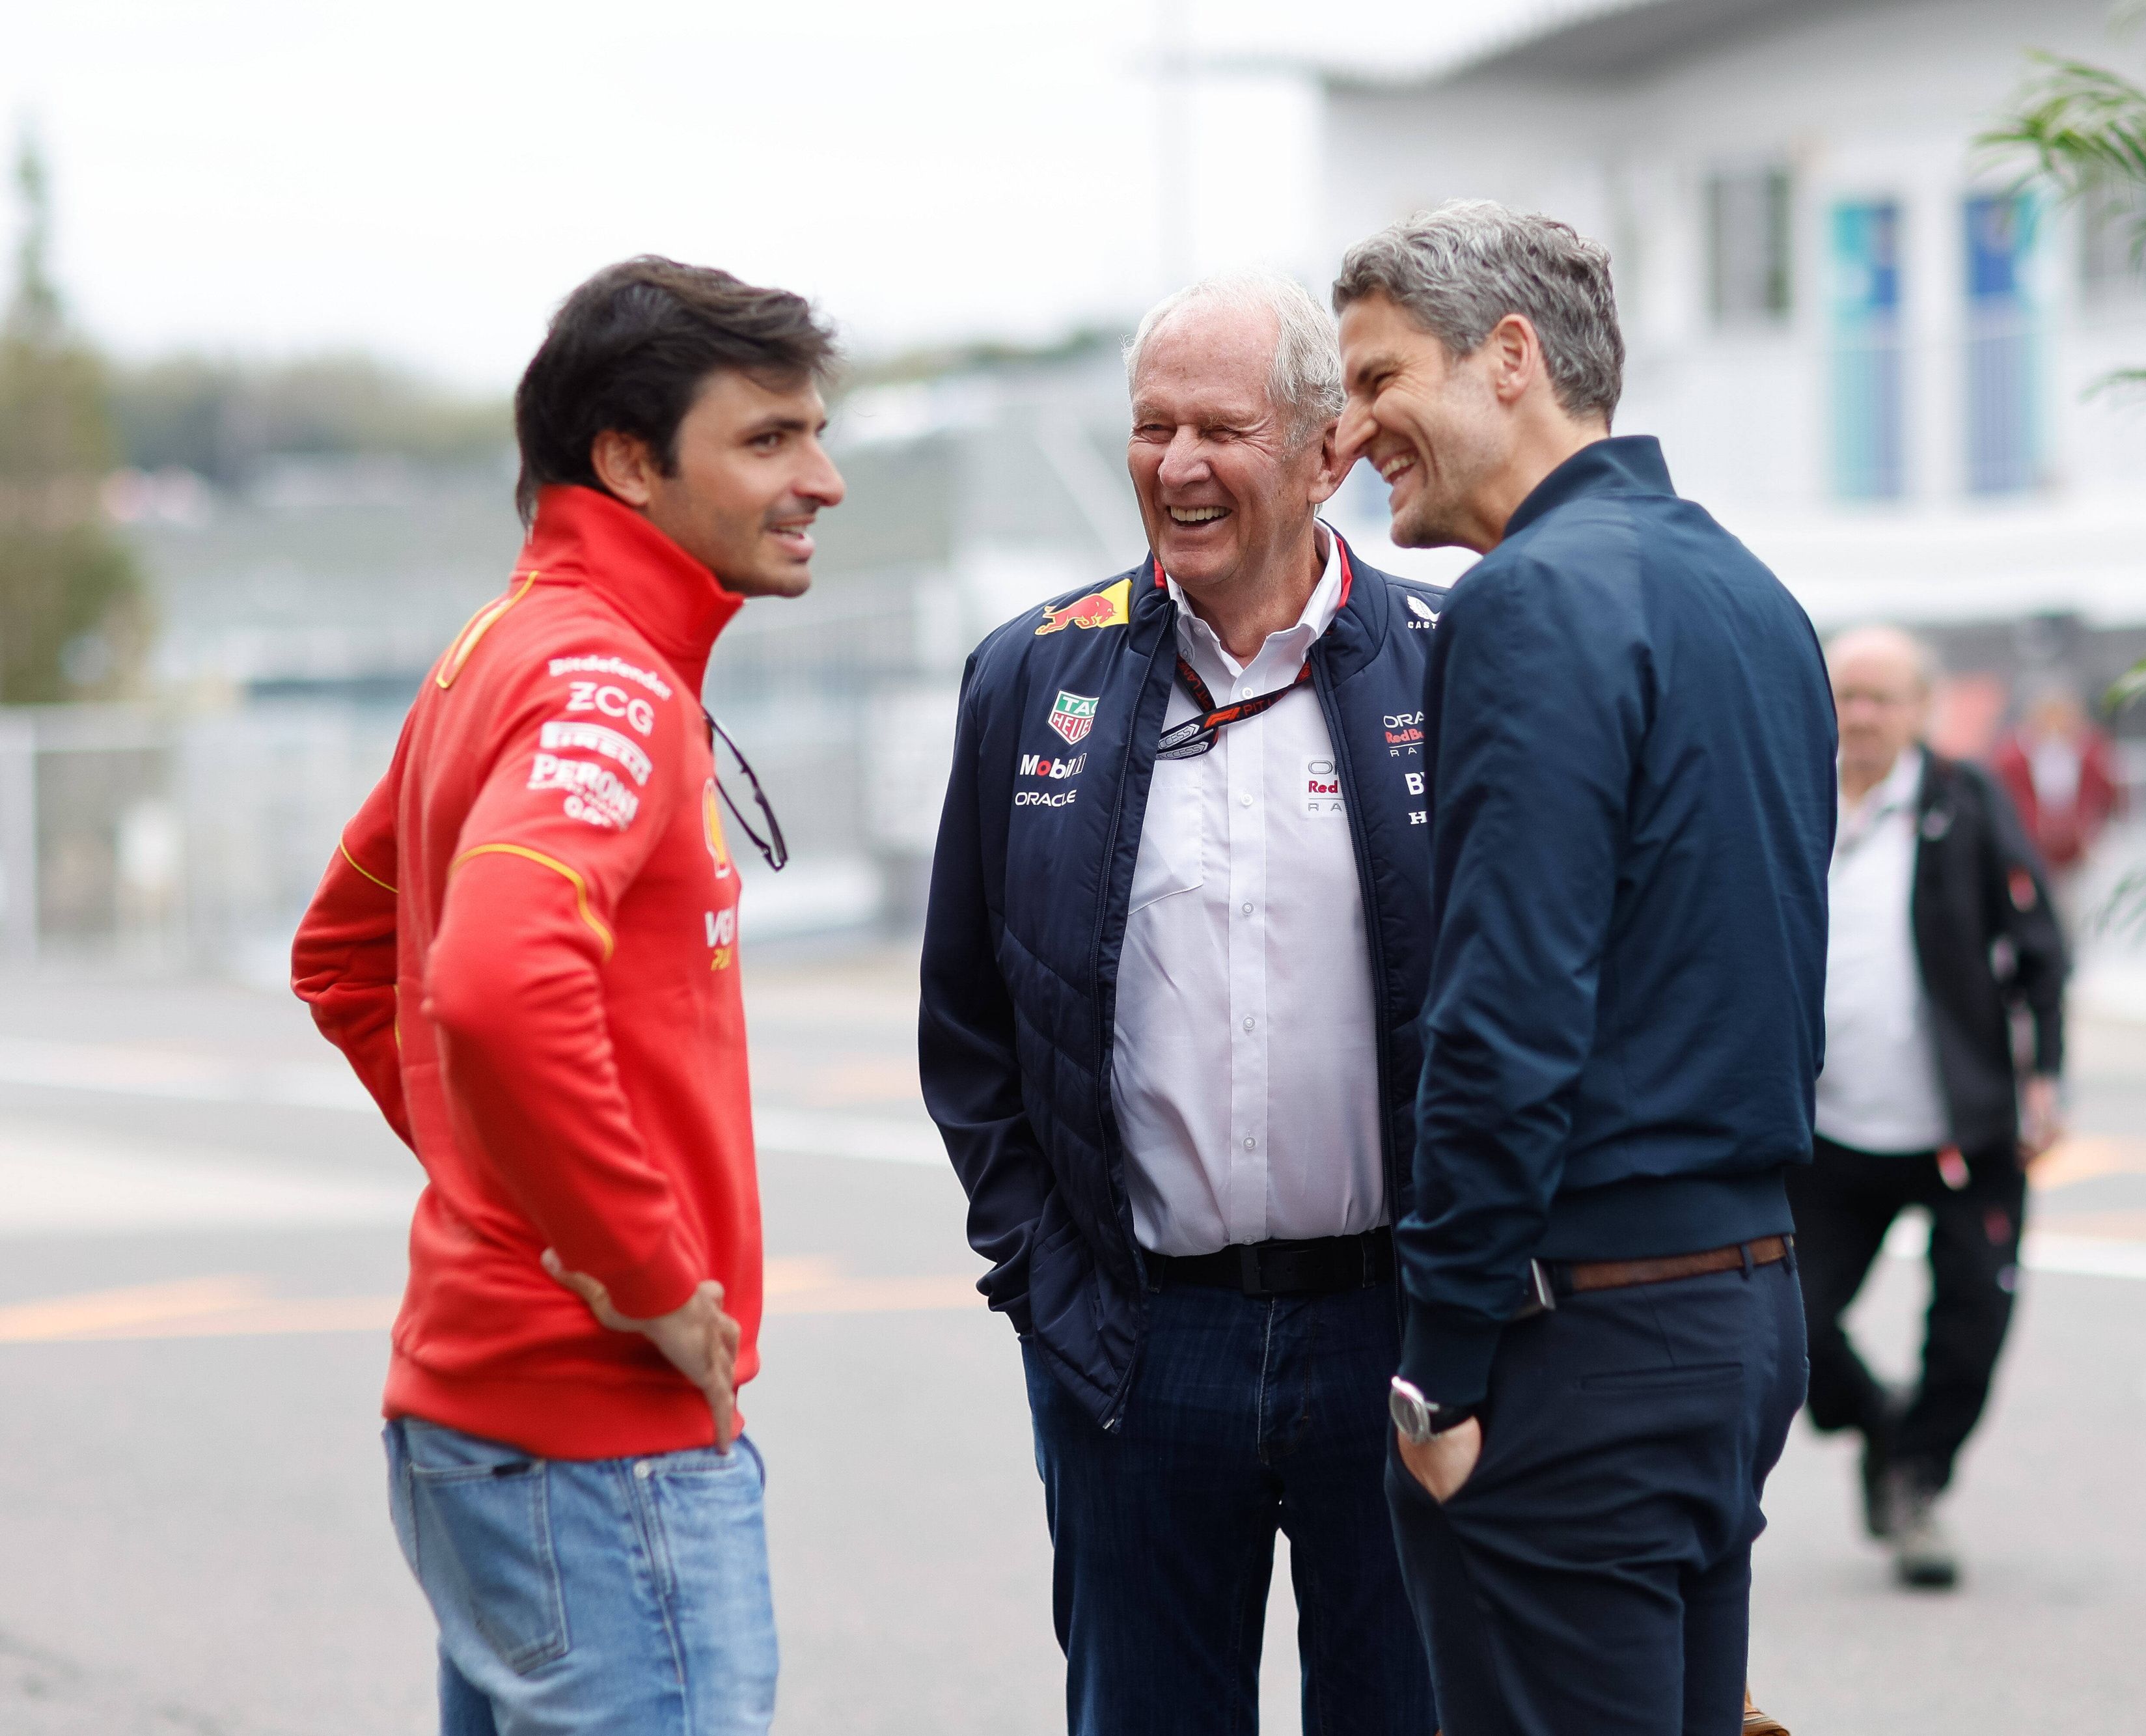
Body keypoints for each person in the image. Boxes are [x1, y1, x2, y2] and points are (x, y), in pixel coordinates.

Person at [292, 257, 843, 1735]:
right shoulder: (600, 681)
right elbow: (486, 981)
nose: (823, 479)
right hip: (595, 1432)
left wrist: (503, 1188)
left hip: (494, 1420)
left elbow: (344, 949)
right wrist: (640, 1265)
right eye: (771, 437)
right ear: (627, 462)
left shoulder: (501, 649)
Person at [1332, 200, 1836, 1736]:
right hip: (1738, 1315)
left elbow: (1504, 1011)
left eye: (1376, 380)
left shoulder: (1530, 602)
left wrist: (1436, 1368)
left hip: (1581, 1337)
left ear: (1507, 358)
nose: (1353, 434)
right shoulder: (1752, 596)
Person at [918, 272, 1444, 1736]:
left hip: (1390, 1327)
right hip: (1137, 1340)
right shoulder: (1033, 674)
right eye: (1152, 428)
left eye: (1221, 427)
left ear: (1326, 451)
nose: (1177, 464)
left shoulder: (1448, 662)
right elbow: (964, 1023)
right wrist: (1046, 1281)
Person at [1791, 626, 2068, 1590]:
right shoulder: (1791, 794)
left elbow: (2040, 944)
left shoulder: (1966, 799)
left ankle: (1915, 1477)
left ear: (1921, 708)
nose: (1862, 714)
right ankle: (1875, 1418)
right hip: (1825, 1129)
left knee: (1971, 1327)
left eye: (1883, 696)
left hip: (1963, 1127)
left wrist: (2045, 1074)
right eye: (1848, 694)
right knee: (1786, 1321)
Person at [1990, 679, 2119, 924]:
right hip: (2028, 853)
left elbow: (2109, 798)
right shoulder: (2012, 757)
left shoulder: (2091, 753)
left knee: (2078, 919)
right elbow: (2000, 803)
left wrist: (2096, 836)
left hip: (2077, 854)